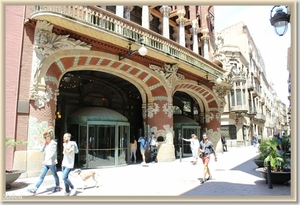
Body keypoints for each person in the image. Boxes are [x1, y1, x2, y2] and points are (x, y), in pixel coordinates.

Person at [27, 126, 61, 195]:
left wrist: (46, 160)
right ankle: (35, 189)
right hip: (46, 164)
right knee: (41, 176)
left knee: (55, 175)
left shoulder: (53, 143)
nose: (46, 138)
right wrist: (43, 144)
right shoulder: (46, 144)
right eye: (45, 137)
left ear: (50, 136)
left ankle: (57, 186)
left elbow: (52, 153)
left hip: (51, 163)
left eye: (48, 136)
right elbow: (41, 150)